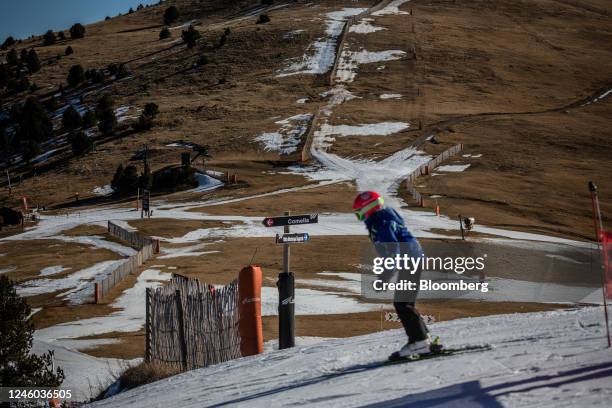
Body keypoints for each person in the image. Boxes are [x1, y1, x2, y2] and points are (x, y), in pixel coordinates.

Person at [353, 191, 432, 356]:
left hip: (409, 260)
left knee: (403, 304)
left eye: (359, 212)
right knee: (405, 302)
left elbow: (392, 249)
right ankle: (423, 339)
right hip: (412, 259)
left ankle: (420, 342)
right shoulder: (384, 218)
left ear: (368, 208)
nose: (359, 217)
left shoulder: (380, 221)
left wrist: (385, 275)